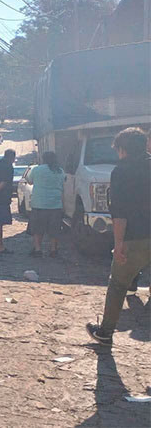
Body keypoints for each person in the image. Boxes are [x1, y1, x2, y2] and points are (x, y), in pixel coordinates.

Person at [86, 128, 150, 347]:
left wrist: (118, 242)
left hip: (134, 238)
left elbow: (120, 212)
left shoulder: (121, 171)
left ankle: (105, 332)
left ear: (122, 149)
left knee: (118, 285)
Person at [26, 151, 64, 257]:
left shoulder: (37, 169)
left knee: (38, 229)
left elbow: (29, 181)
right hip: (55, 204)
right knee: (54, 229)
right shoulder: (60, 171)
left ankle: (38, 249)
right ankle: (53, 250)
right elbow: (62, 184)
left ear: (43, 159)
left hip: (39, 204)